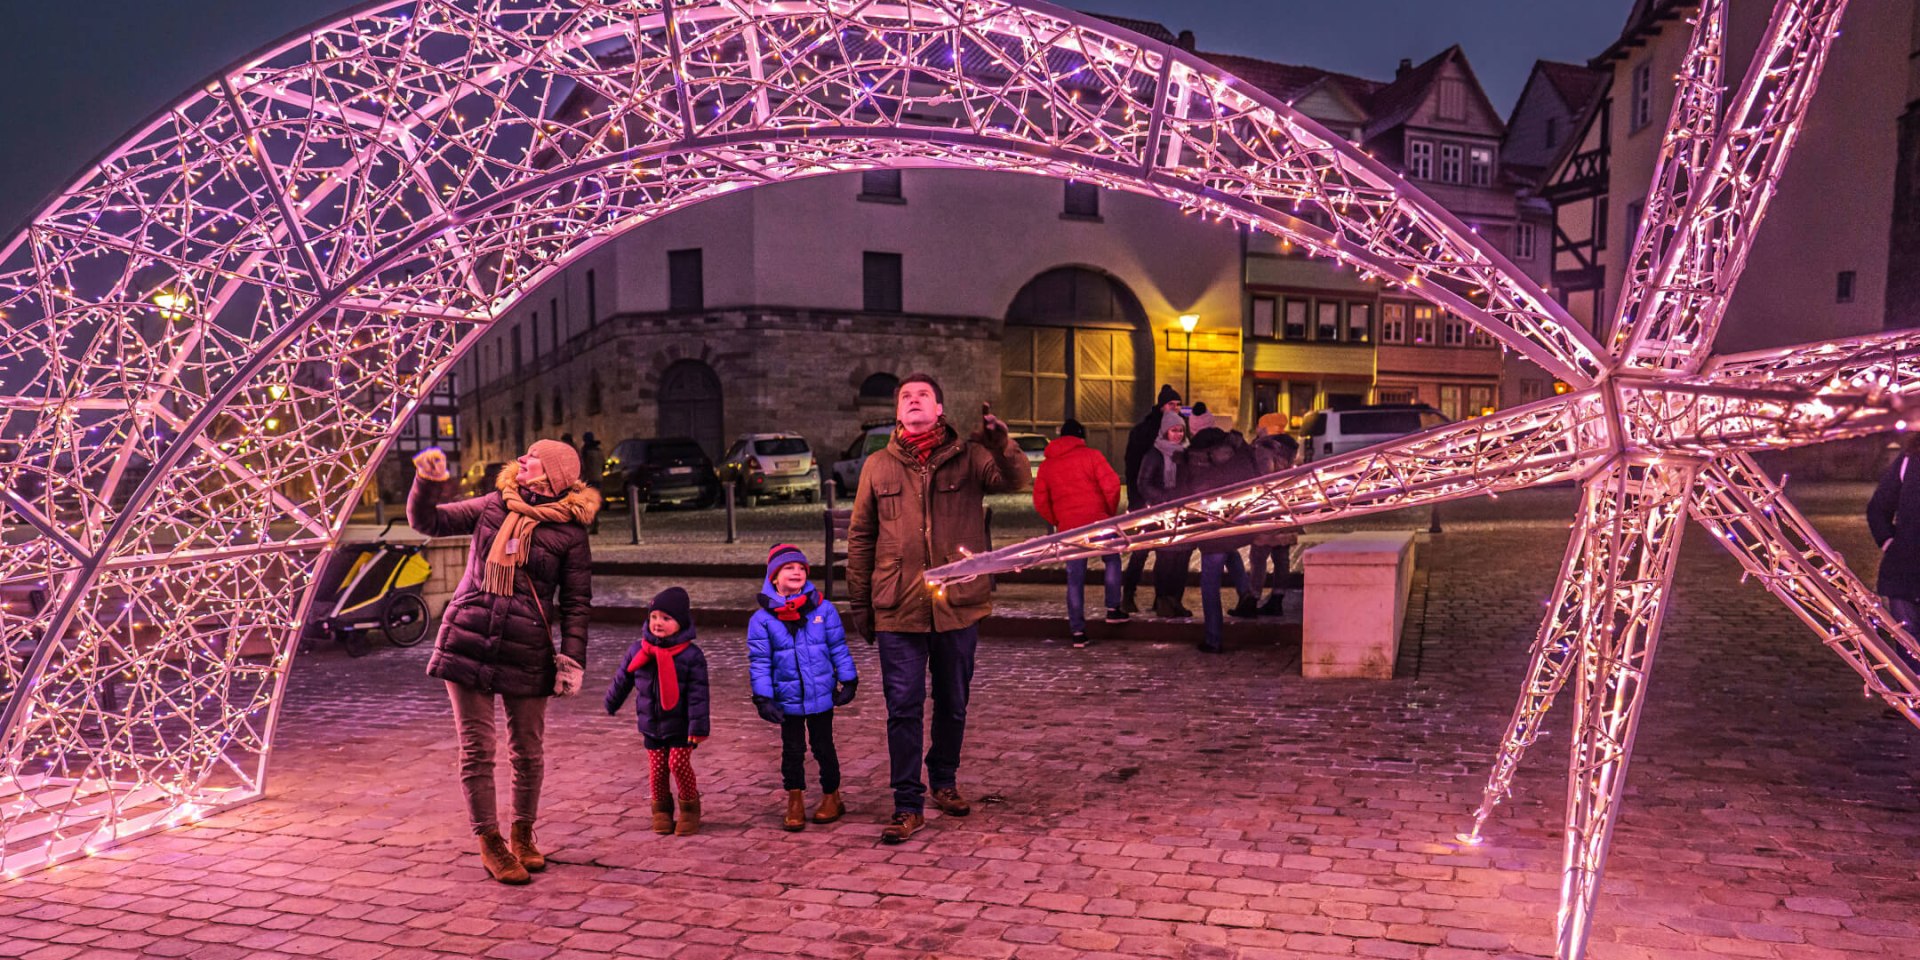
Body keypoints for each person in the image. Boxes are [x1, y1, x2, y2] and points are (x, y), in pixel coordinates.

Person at [846, 373, 1030, 844]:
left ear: (940, 408)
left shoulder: (970, 458)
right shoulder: (877, 465)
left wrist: (1001, 442)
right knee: (902, 707)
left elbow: (1015, 481)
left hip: (959, 603)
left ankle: (943, 780)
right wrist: (861, 604)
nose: (913, 400)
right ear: (897, 412)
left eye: (922, 394)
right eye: (905, 396)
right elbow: (861, 536)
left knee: (953, 701)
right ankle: (907, 803)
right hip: (896, 605)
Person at [407, 440, 598, 885]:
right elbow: (429, 521)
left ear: (551, 475)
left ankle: (523, 834)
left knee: (527, 750)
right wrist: (427, 484)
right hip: (468, 637)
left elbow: (576, 602)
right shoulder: (495, 503)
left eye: (533, 457)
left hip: (526, 648)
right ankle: (490, 842)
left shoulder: (569, 533)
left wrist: (572, 659)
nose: (522, 460)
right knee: (477, 749)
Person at [747, 544, 858, 830]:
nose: (796, 572)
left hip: (821, 694)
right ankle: (794, 798)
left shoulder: (823, 608)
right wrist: (763, 697)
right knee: (793, 750)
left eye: (801, 568)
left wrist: (848, 677)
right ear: (774, 577)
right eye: (788, 568)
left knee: (823, 746)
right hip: (788, 698)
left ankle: (832, 795)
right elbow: (760, 661)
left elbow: (837, 646)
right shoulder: (762, 620)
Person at [605, 587, 711, 836]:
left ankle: (689, 808)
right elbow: (623, 679)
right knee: (658, 769)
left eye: (666, 618)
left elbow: (699, 695)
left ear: (681, 623)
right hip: (651, 723)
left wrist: (698, 728)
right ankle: (661, 810)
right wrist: (612, 701)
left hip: (682, 725)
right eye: (654, 617)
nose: (658, 623)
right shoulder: (638, 651)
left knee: (677, 763)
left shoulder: (691, 656)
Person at [1031, 419, 1124, 646]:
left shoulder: (1047, 465)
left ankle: (1078, 632)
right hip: (1099, 523)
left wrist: (1059, 521)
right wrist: (1107, 513)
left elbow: (1040, 501)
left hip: (1070, 528)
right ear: (1081, 437)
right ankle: (1113, 609)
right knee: (1112, 559)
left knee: (1075, 578)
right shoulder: (1092, 456)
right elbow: (1112, 485)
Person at [1176, 420, 1261, 653]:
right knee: (1230, 550)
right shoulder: (1238, 452)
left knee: (1210, 585)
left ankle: (1213, 639)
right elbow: (1255, 474)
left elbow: (1186, 492)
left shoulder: (1195, 461)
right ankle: (1245, 594)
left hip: (1212, 529)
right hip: (1235, 522)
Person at [1121, 385, 1183, 615]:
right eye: (1171, 404)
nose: (1175, 408)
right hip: (1145, 501)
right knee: (1141, 550)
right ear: (1161, 405)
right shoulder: (1144, 431)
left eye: (1178, 405)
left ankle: (1162, 598)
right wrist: (1136, 501)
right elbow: (1133, 467)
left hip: (1170, 503)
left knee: (1166, 553)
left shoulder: (1179, 429)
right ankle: (1128, 594)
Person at [1135, 409, 1196, 619]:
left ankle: (1175, 601)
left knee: (1182, 559)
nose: (1178, 434)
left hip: (1185, 513)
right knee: (1166, 559)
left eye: (1181, 430)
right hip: (1163, 515)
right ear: (1165, 432)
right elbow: (1143, 484)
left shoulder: (1188, 453)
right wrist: (1165, 497)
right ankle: (1163, 600)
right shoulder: (1154, 454)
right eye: (1174, 430)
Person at [1248, 429, 1301, 616]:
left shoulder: (1264, 450)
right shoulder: (1290, 451)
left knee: (1258, 557)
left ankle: (1252, 599)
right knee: (1281, 558)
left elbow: (1264, 478)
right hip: (1285, 511)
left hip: (1267, 513)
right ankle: (1277, 599)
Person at [579, 433, 607, 534]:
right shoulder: (599, 451)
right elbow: (604, 466)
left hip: (588, 480)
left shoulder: (585, 451)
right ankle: (595, 523)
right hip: (599, 479)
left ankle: (592, 524)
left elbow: (582, 466)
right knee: (596, 502)